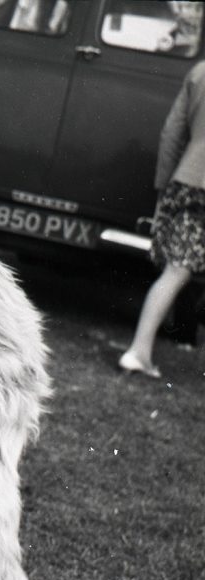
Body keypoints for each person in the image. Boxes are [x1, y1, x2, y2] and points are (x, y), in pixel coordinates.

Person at [120, 60, 205, 378]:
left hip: (190, 179)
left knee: (175, 270)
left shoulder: (200, 71)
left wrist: (164, 188)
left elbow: (171, 133)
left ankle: (139, 352)